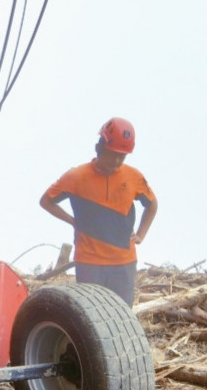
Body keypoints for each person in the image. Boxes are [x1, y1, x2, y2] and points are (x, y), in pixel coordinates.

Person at [39, 117, 158, 306]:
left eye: (123, 156)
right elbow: (46, 201)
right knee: (90, 317)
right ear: (100, 147)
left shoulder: (133, 176)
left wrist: (141, 234)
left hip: (124, 263)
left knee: (123, 316)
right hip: (89, 262)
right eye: (113, 154)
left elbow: (152, 205)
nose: (118, 161)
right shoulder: (76, 177)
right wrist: (72, 220)